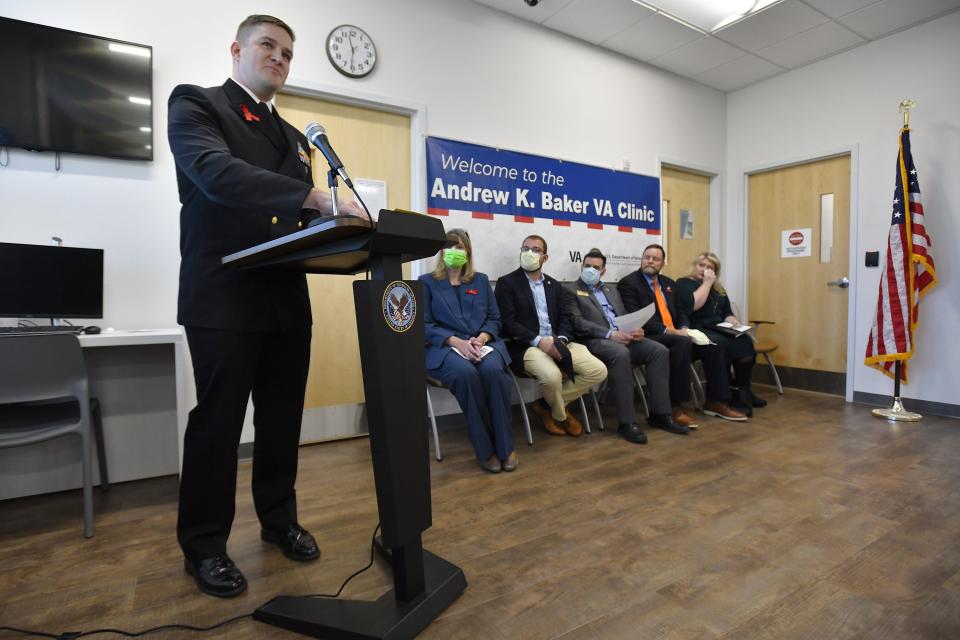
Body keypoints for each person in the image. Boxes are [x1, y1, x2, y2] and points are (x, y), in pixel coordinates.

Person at [168, 14, 363, 598]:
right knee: (219, 427)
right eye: (267, 46)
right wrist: (316, 197)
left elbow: (300, 219)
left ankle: (279, 521)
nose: (278, 58)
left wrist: (350, 220)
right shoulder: (198, 105)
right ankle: (204, 546)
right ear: (237, 49)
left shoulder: (298, 141)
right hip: (223, 295)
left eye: (286, 52)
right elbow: (216, 174)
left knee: (281, 425)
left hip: (284, 300)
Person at [419, 229, 518, 474]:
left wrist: (482, 337)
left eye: (460, 246)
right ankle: (485, 449)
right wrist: (455, 342)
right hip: (446, 349)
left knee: (495, 372)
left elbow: (495, 318)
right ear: (441, 251)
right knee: (466, 375)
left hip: (482, 345)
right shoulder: (427, 282)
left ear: (468, 251)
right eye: (449, 246)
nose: (454, 251)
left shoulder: (481, 281)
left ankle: (506, 448)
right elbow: (424, 324)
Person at [563, 249, 686, 442]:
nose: (591, 270)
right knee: (620, 354)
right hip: (595, 341)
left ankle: (660, 414)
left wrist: (635, 329)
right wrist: (611, 334)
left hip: (623, 337)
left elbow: (623, 314)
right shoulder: (570, 290)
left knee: (659, 350)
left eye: (596, 267)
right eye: (587, 266)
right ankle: (627, 423)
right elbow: (578, 323)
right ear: (581, 266)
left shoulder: (611, 290)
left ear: (603, 271)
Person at [618, 244, 747, 424]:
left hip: (676, 333)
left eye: (656, 259)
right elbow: (639, 316)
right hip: (650, 335)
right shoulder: (629, 283)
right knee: (682, 343)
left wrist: (685, 328)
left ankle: (716, 401)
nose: (650, 261)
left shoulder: (669, 283)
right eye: (647, 257)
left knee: (713, 345)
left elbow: (681, 312)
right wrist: (671, 331)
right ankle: (674, 406)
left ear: (663, 263)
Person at [495, 235, 607, 438]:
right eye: (525, 248)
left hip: (559, 341)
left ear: (545, 258)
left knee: (598, 371)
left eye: (536, 250)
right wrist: (539, 342)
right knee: (552, 377)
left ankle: (545, 406)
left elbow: (565, 319)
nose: (529, 253)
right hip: (526, 345)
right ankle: (561, 416)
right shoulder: (507, 283)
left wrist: (561, 340)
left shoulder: (555, 286)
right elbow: (507, 323)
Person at [675, 252, 766, 412]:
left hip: (719, 326)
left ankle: (743, 390)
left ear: (716, 272)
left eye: (710, 267)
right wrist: (707, 283)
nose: (704, 269)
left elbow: (727, 311)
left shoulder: (719, 289)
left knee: (744, 341)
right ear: (694, 266)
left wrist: (732, 320)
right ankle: (723, 397)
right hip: (698, 327)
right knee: (721, 344)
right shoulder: (684, 283)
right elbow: (693, 305)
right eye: (701, 265)